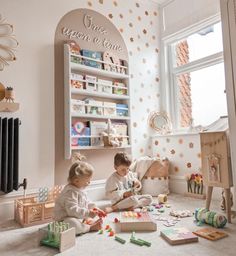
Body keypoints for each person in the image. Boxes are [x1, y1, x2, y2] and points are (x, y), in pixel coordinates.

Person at [54, 161, 104, 235]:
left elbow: (87, 202)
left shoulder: (80, 189)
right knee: (73, 224)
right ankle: (89, 227)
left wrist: (95, 208)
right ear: (76, 181)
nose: (89, 183)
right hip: (64, 220)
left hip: (77, 216)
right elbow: (72, 211)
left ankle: (86, 223)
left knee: (86, 218)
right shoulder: (70, 192)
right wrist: (88, 213)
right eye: (87, 181)